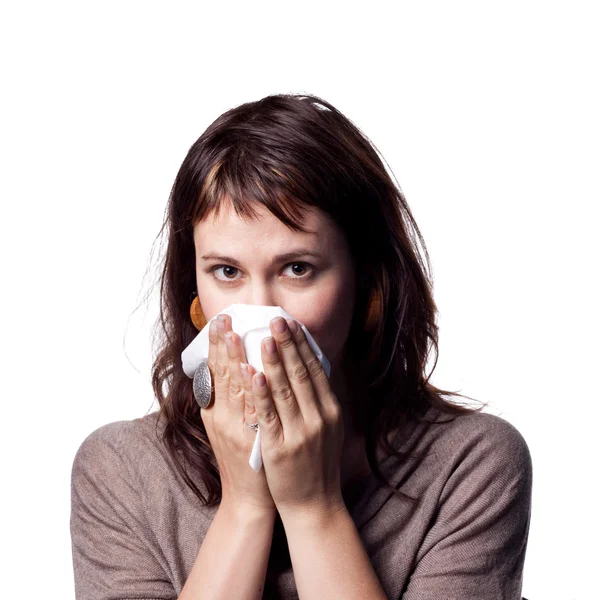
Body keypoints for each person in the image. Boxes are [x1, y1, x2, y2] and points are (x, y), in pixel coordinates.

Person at [70, 93, 532, 600]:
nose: (262, 312)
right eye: (227, 272)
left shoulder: (469, 464)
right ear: (196, 296)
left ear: (368, 287)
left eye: (298, 269)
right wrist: (246, 506)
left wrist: (314, 506)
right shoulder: (123, 471)